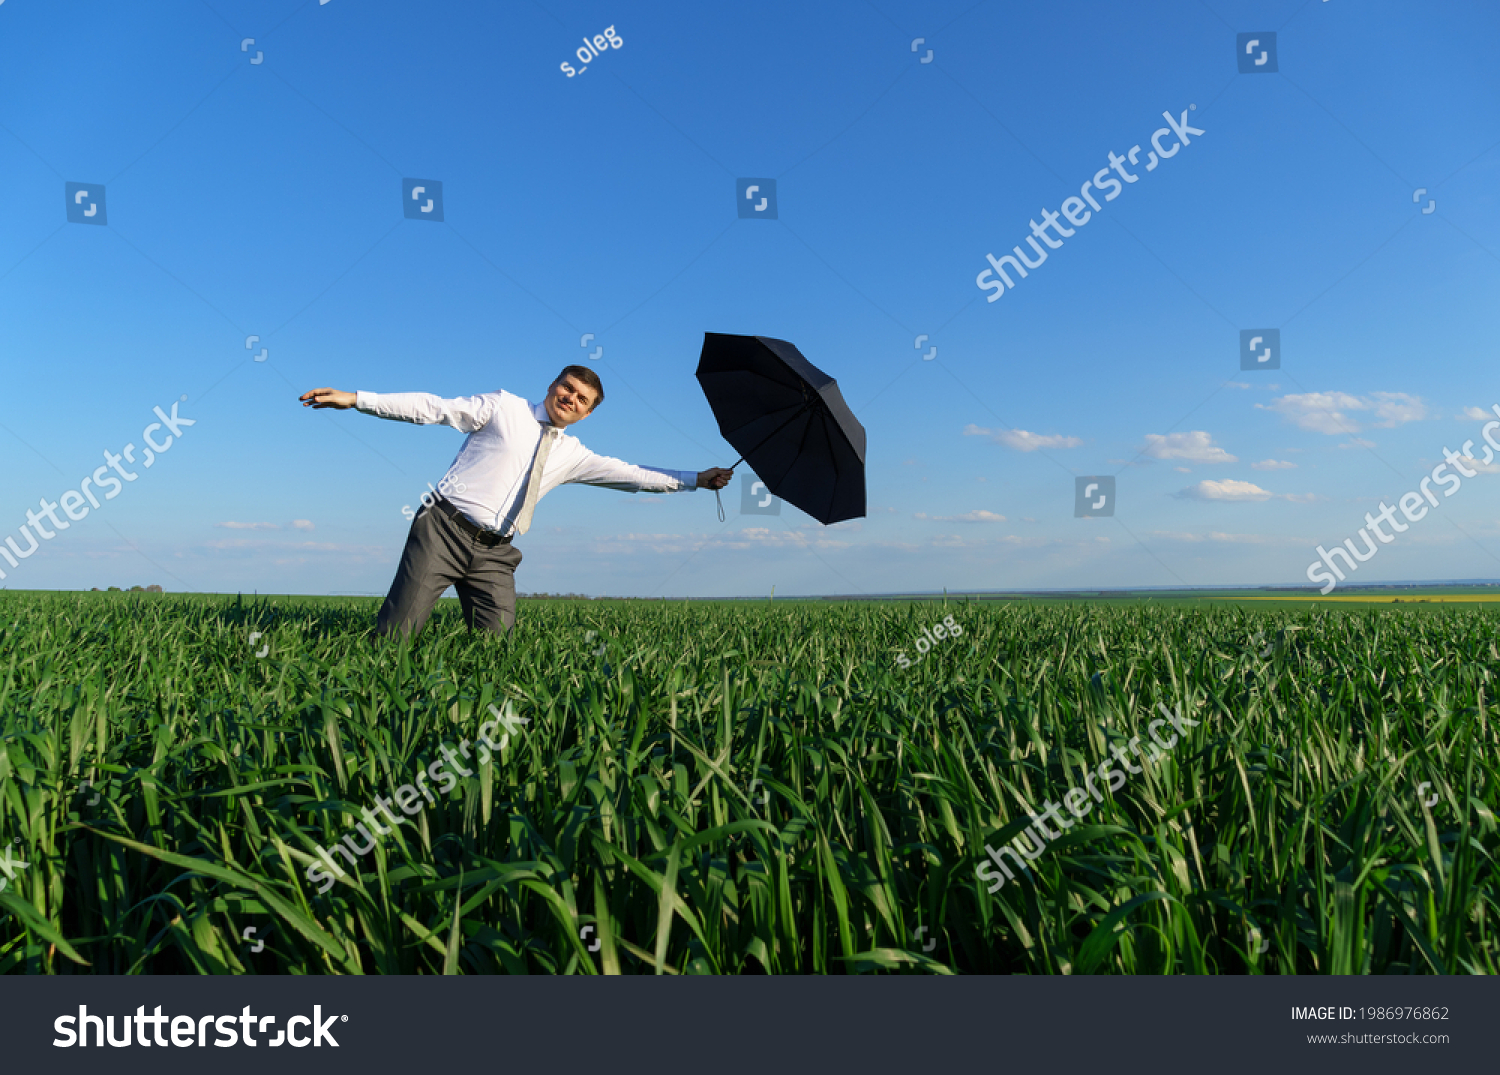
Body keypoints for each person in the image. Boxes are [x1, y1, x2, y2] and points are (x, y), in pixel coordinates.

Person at [299, 366, 733, 638]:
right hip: (444, 530)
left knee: (497, 652)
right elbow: (434, 408)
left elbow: (634, 476)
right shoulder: (504, 408)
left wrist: (697, 479)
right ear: (553, 385)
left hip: (496, 553)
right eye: (567, 387)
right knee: (397, 635)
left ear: (588, 413)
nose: (570, 398)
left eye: (582, 399)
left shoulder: (573, 455)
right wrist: (357, 399)